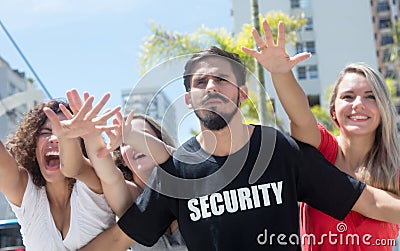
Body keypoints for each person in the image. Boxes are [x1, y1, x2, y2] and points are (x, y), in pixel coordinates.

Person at [80, 46, 400, 251]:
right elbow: (120, 238)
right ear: (189, 99)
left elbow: (367, 200)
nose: (211, 88)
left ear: (242, 94)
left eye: (222, 80)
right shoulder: (176, 172)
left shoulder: (278, 150)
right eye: (200, 82)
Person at [242, 19, 400, 250]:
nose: (358, 104)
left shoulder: (395, 168)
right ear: (334, 110)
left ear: (384, 108)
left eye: (370, 96)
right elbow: (300, 117)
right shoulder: (322, 151)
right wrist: (280, 73)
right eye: (348, 97)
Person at [45, 89, 187, 251]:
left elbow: (178, 160)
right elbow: (109, 176)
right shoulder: (131, 197)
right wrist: (91, 135)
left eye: (140, 136)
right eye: (124, 142)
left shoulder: (192, 180)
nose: (133, 144)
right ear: (124, 160)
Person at [0, 96, 118, 251]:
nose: (55, 138)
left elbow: (76, 167)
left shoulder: (92, 181)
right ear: (32, 145)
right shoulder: (27, 195)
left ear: (82, 147)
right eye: (45, 132)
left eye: (67, 132)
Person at [113, 113, 187, 251]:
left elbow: (181, 162)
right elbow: (106, 177)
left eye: (143, 136)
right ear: (122, 158)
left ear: (160, 141)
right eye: (125, 141)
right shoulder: (125, 195)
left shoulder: (190, 183)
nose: (135, 144)